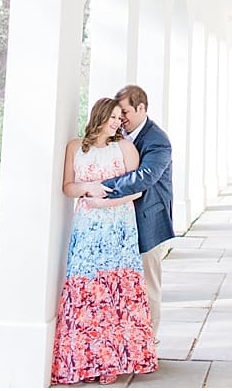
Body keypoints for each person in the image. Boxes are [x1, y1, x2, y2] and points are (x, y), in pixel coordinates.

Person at [50, 98, 158, 385]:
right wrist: (88, 189)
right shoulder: (75, 147)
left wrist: (106, 203)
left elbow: (137, 191)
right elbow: (68, 186)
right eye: (111, 117)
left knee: (114, 292)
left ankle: (111, 361)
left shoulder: (125, 148)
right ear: (98, 116)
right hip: (86, 230)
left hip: (118, 227)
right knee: (86, 291)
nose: (116, 122)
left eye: (118, 118)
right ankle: (84, 361)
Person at [82, 84, 175, 336]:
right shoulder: (118, 135)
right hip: (120, 222)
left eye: (125, 112)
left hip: (149, 221)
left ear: (141, 108)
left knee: (148, 286)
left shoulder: (158, 140)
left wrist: (101, 187)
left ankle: (150, 341)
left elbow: (143, 177)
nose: (120, 118)